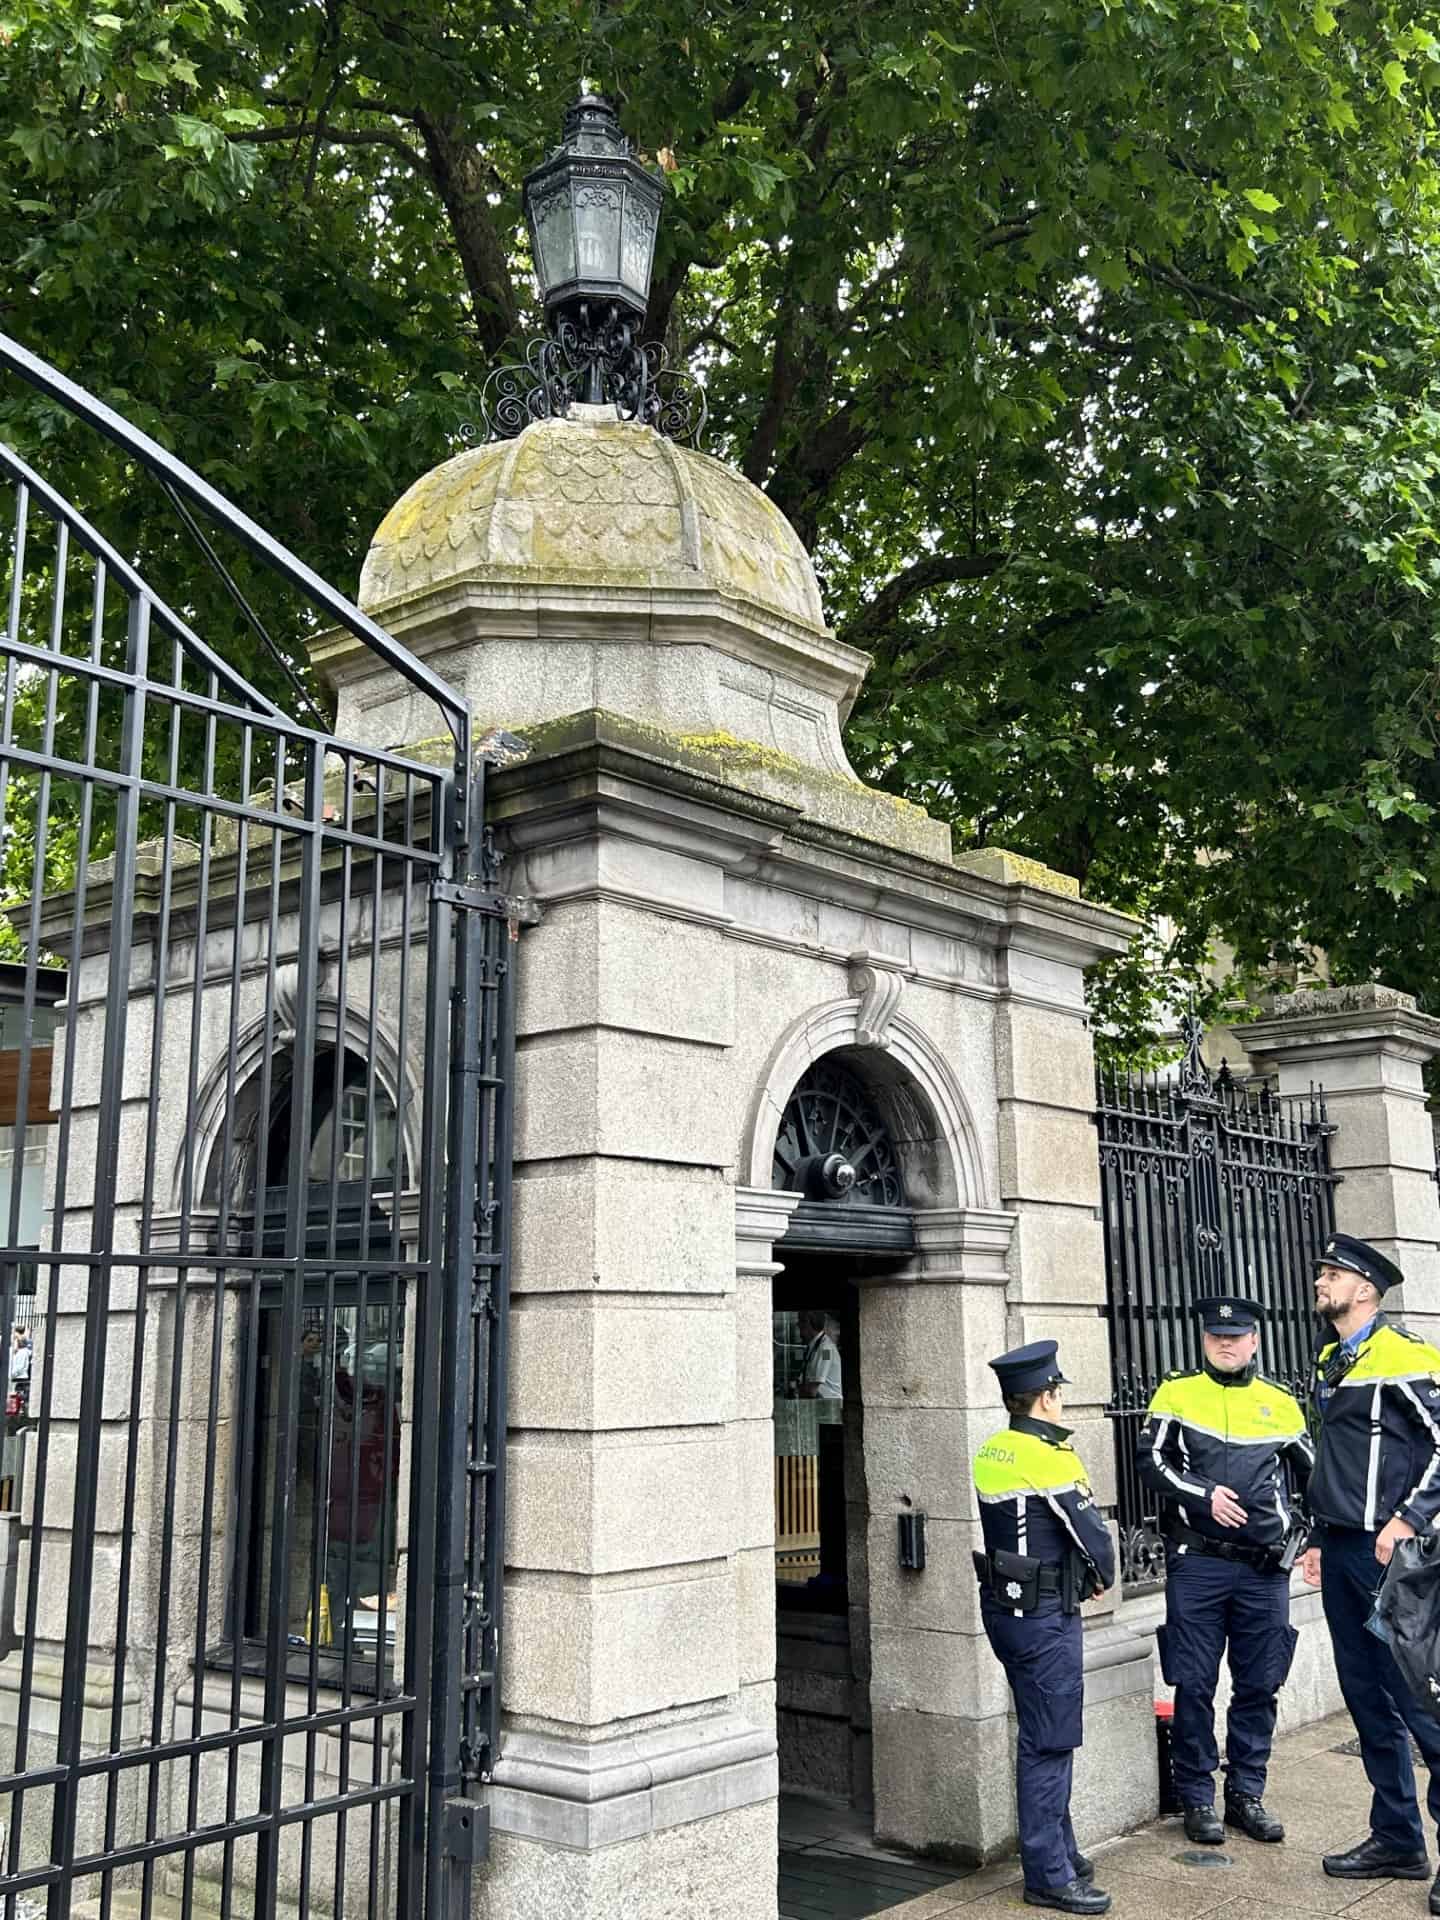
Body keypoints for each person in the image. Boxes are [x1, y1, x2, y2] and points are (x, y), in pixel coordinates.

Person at [1137, 1295, 1313, 1846]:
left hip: (1264, 1573)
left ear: (1255, 1340)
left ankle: (1245, 1794)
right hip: (1200, 1567)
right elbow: (1151, 1462)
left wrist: (1308, 1536)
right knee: (1194, 1684)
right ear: (1204, 1340)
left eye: (1236, 1336)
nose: (1227, 1344)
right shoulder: (1176, 1393)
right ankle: (1197, 1798)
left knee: (1260, 1684)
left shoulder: (1281, 1402)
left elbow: (1314, 1477)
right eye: (1217, 1337)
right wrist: (1204, 1494)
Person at [1300, 1232, 1440, 1904]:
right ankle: (1398, 1838)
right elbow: (1341, 1463)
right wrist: (1319, 1534)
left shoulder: (1403, 1356)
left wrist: (1405, 1522)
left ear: (1365, 1288)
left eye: (1332, 1273)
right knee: (1366, 1699)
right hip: (1343, 1549)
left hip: (1391, 1558)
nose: (1321, 1280)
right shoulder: (1333, 1358)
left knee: (1419, 1703)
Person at [972, 1339, 1116, 1915]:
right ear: (1048, 1398)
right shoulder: (1053, 1458)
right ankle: (1049, 1874)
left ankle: (1063, 1851)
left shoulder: (993, 1450)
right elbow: (1094, 1538)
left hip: (1006, 1610)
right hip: (1047, 1618)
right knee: (1048, 1742)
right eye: (1058, 1393)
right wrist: (1104, 1576)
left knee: (1041, 1730)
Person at [796, 1310, 842, 1403]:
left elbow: (813, 1390)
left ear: (808, 1323)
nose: (798, 1326)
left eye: (800, 1322)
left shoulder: (826, 1350)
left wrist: (799, 1391)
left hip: (828, 1405)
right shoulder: (812, 1347)